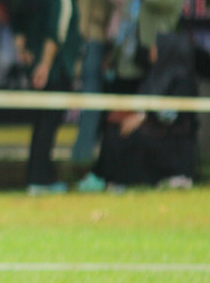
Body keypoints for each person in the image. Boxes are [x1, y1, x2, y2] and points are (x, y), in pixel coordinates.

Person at [79, 31, 199, 190]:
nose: (151, 50)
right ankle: (105, 179)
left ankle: (123, 181)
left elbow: (176, 114)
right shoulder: (156, 76)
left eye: (156, 47)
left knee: (131, 137)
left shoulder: (183, 81)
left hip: (172, 139)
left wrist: (144, 117)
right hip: (152, 129)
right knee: (115, 131)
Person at [13, 0, 80, 194]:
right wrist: (45, 65)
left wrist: (25, 53)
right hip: (54, 69)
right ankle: (42, 180)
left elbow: (18, 22)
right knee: (48, 125)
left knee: (39, 123)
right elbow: (57, 30)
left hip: (35, 68)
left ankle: (36, 176)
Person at [70, 0, 134, 163]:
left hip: (107, 51)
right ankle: (80, 159)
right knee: (91, 110)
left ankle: (87, 158)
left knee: (100, 112)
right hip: (92, 47)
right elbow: (82, 24)